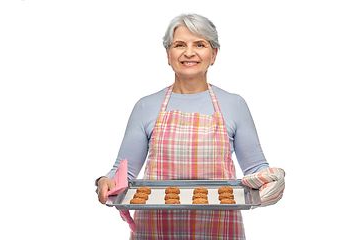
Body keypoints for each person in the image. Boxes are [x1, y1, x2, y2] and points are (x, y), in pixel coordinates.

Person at [96, 13, 285, 240]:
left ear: (213, 54)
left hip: (219, 231)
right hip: (155, 232)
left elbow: (255, 170)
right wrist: (104, 181)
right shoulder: (146, 106)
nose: (189, 52)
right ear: (168, 54)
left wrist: (271, 181)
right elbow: (121, 174)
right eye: (179, 45)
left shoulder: (234, 105)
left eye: (199, 44)